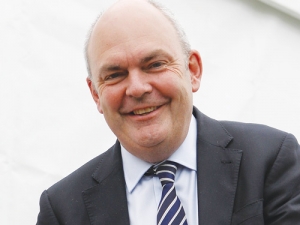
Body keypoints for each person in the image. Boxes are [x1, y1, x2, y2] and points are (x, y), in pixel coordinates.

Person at [36, 0, 300, 224]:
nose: (137, 88)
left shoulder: (269, 159)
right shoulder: (62, 210)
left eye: (154, 64)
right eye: (115, 75)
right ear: (96, 94)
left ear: (193, 70)